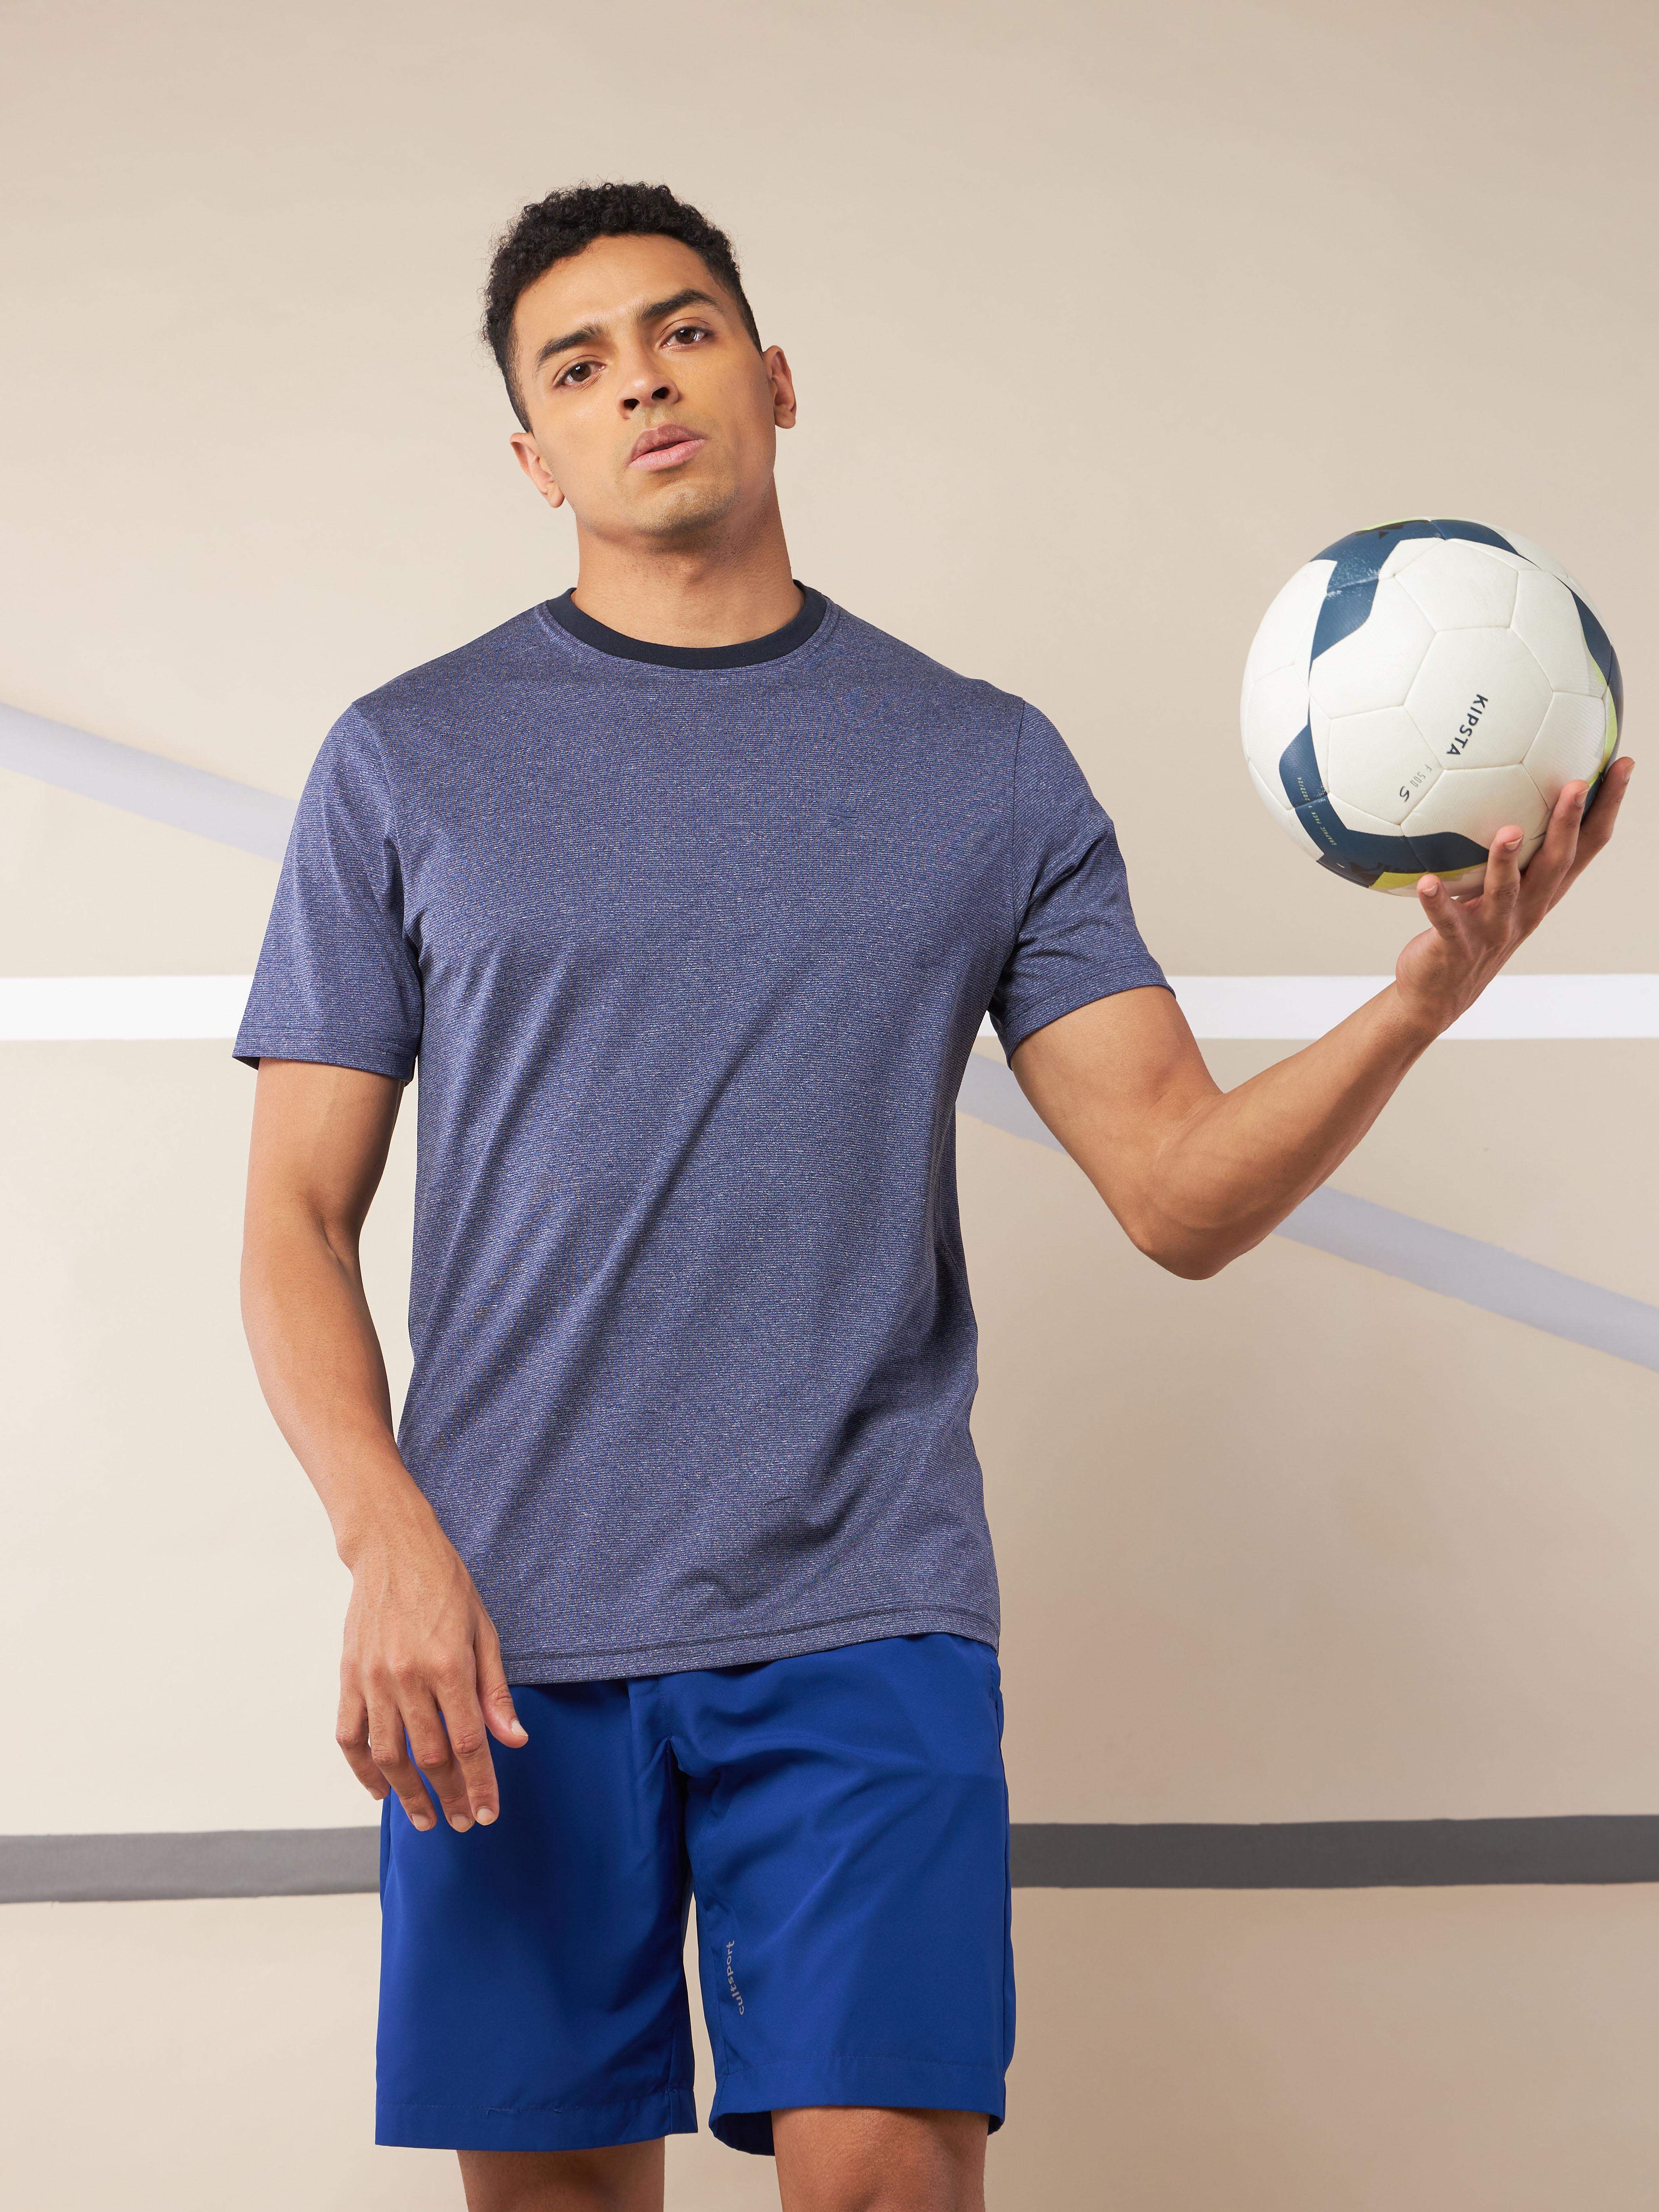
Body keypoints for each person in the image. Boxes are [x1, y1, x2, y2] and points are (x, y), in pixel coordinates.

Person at [234, 180, 1631, 2212]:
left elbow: (1176, 1187)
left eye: (684, 330)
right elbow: (293, 1214)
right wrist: (386, 1542)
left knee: (888, 2172)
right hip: (504, 1619)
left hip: (860, 1608)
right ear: (532, 455)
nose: (643, 383)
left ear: (776, 378)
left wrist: (1422, 998)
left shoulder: (982, 767)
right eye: (580, 363)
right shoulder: (402, 760)